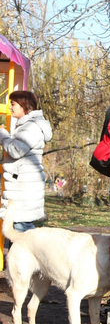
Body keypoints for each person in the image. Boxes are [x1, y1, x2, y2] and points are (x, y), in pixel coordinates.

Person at [0, 91, 53, 235]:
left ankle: (30, 257)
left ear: (25, 105)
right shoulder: (28, 126)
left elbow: (16, 150)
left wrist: (2, 135)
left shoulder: (32, 127)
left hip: (24, 188)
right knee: (20, 228)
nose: (10, 107)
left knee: (21, 230)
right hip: (23, 185)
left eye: (13, 104)